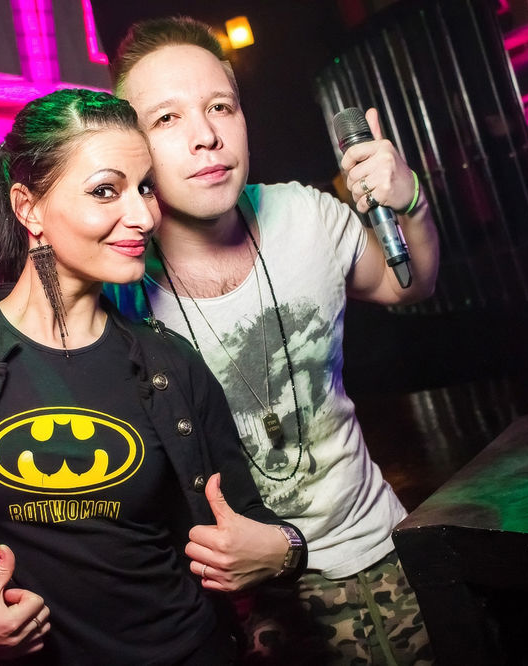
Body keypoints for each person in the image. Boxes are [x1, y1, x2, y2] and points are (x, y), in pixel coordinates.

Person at [0, 88, 308, 665]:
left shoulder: (171, 363)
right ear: (28, 208)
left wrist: (288, 549)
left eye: (145, 188)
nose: (143, 216)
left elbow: (254, 529)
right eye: (105, 191)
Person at [106, 17, 440, 665]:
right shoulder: (118, 286)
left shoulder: (305, 216)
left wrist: (413, 203)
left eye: (220, 107)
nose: (206, 135)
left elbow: (409, 285)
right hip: (243, 602)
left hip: (382, 548)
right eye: (167, 118)